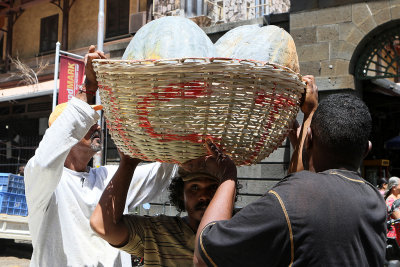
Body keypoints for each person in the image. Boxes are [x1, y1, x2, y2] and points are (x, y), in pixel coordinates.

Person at [193, 77, 387, 266]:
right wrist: (306, 127)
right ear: (366, 149)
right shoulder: (375, 201)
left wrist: (227, 174)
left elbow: (204, 254)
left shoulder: (291, 198)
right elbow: (305, 199)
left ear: (309, 139)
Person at [24, 46, 177, 267]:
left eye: (95, 119)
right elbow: (47, 159)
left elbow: (159, 174)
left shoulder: (108, 176)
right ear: (68, 133)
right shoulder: (44, 182)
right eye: (87, 122)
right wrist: (88, 87)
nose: (97, 125)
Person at [90, 141, 240, 266]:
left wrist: (229, 174)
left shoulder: (243, 233)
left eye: (213, 188)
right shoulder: (156, 232)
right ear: (182, 195)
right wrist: (128, 164)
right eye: (194, 187)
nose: (203, 196)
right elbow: (103, 226)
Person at [385, 176, 400, 246]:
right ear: (394, 187)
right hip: (395, 235)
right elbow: (398, 217)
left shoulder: (398, 196)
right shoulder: (390, 200)